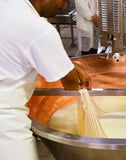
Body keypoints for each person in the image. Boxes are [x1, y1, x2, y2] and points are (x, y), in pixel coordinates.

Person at [0, 0, 92, 160]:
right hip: (5, 119)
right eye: (63, 0)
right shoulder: (39, 29)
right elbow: (70, 83)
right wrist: (71, 72)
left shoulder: (8, 6)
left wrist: (66, 65)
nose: (64, 6)